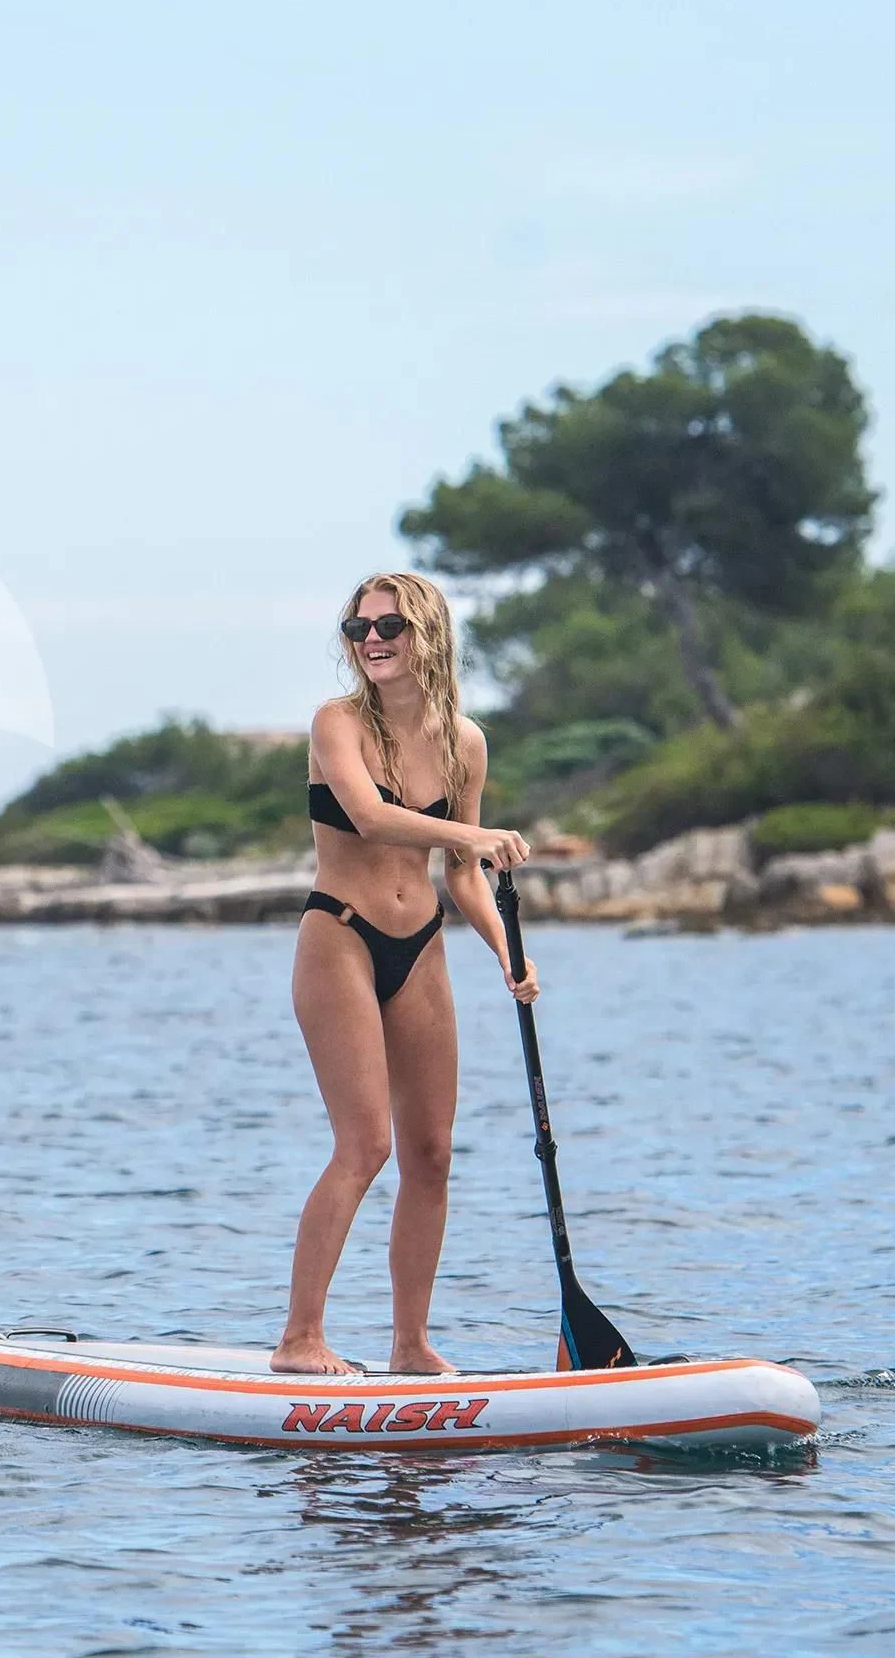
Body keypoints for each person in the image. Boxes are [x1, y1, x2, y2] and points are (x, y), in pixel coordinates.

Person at [271, 571, 537, 1377]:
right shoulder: (337, 724)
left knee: (431, 1153)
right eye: (359, 631)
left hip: (421, 941)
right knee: (366, 1146)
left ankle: (410, 1344)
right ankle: (299, 1339)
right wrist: (481, 834)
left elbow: (459, 874)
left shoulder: (466, 743)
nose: (374, 640)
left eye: (390, 626)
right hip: (340, 939)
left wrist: (507, 952)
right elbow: (371, 817)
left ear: (430, 635)